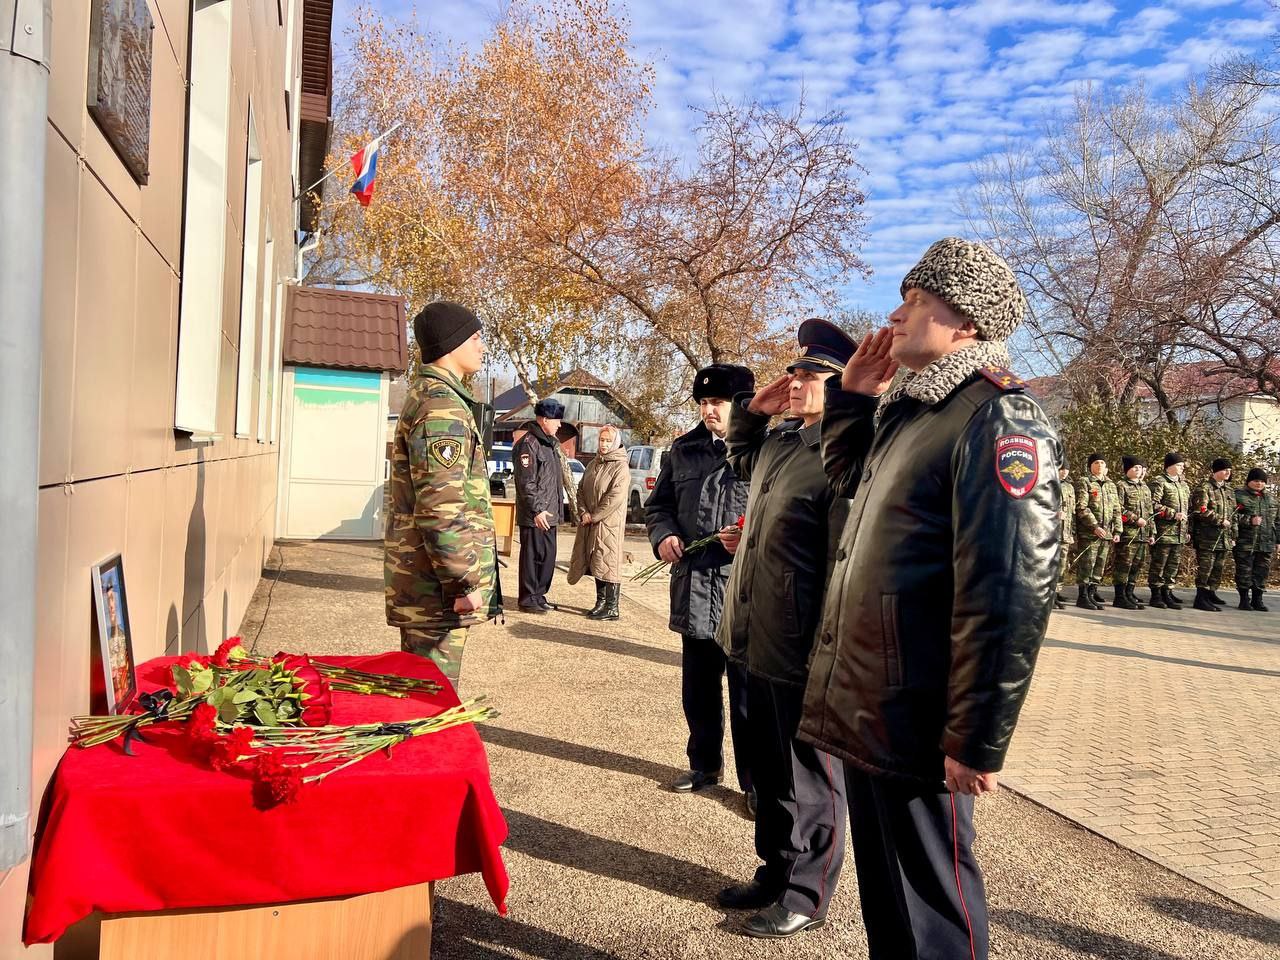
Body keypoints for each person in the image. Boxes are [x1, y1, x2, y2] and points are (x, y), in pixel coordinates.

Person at [799, 237, 1061, 960]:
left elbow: (1009, 589)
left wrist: (976, 736)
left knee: (931, 914)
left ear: (968, 323)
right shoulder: (913, 410)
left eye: (915, 301)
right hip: (874, 699)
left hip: (920, 713)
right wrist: (852, 397)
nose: (895, 313)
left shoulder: (998, 416)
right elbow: (850, 485)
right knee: (890, 903)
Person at [715, 319, 856, 939]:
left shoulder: (842, 453)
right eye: (795, 372)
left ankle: (807, 890)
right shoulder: (783, 443)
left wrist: (828, 650)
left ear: (846, 384)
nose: (797, 382)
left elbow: (842, 566)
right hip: (756, 634)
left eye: (814, 375)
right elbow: (742, 458)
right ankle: (775, 869)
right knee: (770, 770)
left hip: (802, 644)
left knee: (811, 775)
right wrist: (751, 414)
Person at [646, 363, 755, 802]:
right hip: (693, 587)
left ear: (743, 405)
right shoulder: (683, 449)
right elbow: (659, 506)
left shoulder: (766, 449)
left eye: (719, 402)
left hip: (742, 592)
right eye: (704, 403)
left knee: (748, 697)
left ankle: (755, 784)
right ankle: (704, 765)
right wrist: (664, 536)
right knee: (698, 690)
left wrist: (749, 538)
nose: (709, 411)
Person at [385, 301, 501, 683]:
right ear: (452, 344)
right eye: (476, 338)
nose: (483, 347)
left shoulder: (433, 398)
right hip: (436, 591)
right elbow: (440, 507)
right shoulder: (441, 408)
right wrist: (462, 582)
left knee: (423, 696)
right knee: (430, 703)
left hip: (429, 586)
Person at [567, 425, 629, 621]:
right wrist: (583, 512)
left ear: (615, 442)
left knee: (608, 561)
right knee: (596, 561)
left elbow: (615, 497)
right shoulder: (594, 463)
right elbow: (580, 490)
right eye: (601, 440)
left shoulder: (620, 467)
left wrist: (595, 516)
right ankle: (600, 602)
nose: (604, 444)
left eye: (608, 441)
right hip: (591, 521)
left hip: (609, 524)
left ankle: (612, 606)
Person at [513, 399, 566, 613]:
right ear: (544, 419)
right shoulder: (528, 444)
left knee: (547, 557)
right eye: (557, 420)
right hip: (535, 515)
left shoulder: (550, 444)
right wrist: (537, 509)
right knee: (532, 557)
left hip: (550, 513)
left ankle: (539, 594)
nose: (560, 425)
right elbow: (526, 481)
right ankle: (528, 598)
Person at [1074, 453, 1121, 610]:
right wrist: (1094, 526)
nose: (1099, 465)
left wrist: (1118, 530)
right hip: (1090, 533)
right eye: (1096, 463)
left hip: (1107, 533)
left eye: (1102, 462)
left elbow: (1116, 509)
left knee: (1099, 565)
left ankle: (1092, 593)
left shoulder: (1111, 485)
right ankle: (1082, 596)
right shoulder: (1085, 482)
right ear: (1090, 466)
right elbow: (1081, 507)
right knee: (1087, 564)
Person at [1148, 452, 1192, 609]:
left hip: (1179, 532)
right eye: (1179, 465)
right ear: (1169, 466)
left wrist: (1187, 529)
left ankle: (1168, 591)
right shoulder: (1159, 482)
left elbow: (1188, 508)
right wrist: (1173, 514)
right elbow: (1152, 504)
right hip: (1164, 531)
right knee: (1159, 563)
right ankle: (1156, 594)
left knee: (1173, 564)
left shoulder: (1183, 484)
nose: (1182, 468)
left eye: (1182, 466)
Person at [1191, 457, 1235, 612]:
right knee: (1206, 568)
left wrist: (1233, 536)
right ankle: (1200, 598)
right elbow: (1200, 510)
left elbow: (1233, 514)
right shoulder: (1205, 488)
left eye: (1229, 470)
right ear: (1216, 471)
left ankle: (1211, 593)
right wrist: (1219, 520)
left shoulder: (1228, 490)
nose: (1228, 473)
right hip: (1207, 537)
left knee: (1218, 568)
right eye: (1224, 470)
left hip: (1224, 537)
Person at [1112, 455, 1154, 610]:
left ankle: (1129, 593)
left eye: (1140, 468)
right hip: (1128, 534)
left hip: (1143, 535)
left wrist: (1151, 533)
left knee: (1137, 565)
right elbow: (1118, 508)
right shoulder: (1121, 486)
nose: (1138, 470)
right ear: (1127, 469)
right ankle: (1120, 596)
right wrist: (1135, 519)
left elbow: (1150, 512)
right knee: (1124, 565)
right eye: (1135, 467)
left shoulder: (1145, 487)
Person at [1234, 468, 1275, 612]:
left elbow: (1277, 521)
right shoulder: (1238, 495)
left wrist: (1278, 541)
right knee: (1244, 572)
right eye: (1256, 481)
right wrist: (1249, 520)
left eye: (1262, 481)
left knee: (1262, 572)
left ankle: (1258, 599)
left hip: (1266, 542)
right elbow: (1232, 516)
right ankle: (1244, 599)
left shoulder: (1270, 498)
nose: (1259, 484)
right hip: (1246, 542)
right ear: (1249, 481)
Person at [1054, 464, 1075, 610]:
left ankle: (1057, 593)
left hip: (1065, 533)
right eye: (1062, 469)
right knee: (1051, 566)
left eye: (1066, 469)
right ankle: (1049, 595)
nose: (1064, 472)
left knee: (1061, 566)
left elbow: (1072, 511)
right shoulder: (1048, 483)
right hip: (1052, 533)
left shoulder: (1069, 487)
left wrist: (1072, 531)